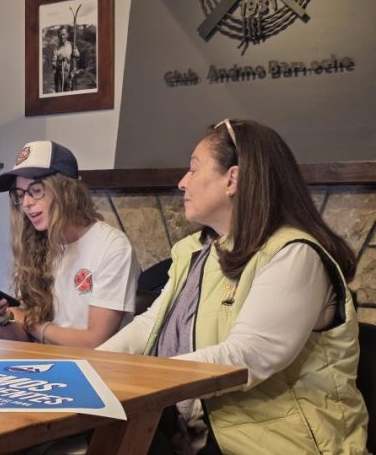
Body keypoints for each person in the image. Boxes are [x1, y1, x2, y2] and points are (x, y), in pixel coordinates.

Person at [98, 119, 368, 454]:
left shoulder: (294, 253)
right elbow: (151, 324)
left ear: (232, 179)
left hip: (282, 443)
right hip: (204, 436)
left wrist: (150, 377)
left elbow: (249, 354)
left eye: (193, 169)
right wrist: (91, 367)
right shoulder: (197, 251)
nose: (182, 182)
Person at [0, 140, 140, 348]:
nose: (26, 203)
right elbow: (20, 344)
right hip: (43, 364)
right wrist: (2, 316)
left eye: (35, 190)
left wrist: (30, 322)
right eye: (20, 194)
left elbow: (96, 343)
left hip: (95, 366)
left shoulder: (113, 247)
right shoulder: (33, 245)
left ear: (66, 191)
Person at [52, 26, 80, 92]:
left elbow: (78, 57)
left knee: (70, 93)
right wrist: (58, 61)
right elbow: (53, 64)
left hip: (70, 75)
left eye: (63, 34)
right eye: (60, 35)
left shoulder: (72, 45)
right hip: (59, 76)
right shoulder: (56, 48)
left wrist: (76, 54)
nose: (62, 36)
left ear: (67, 35)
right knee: (59, 94)